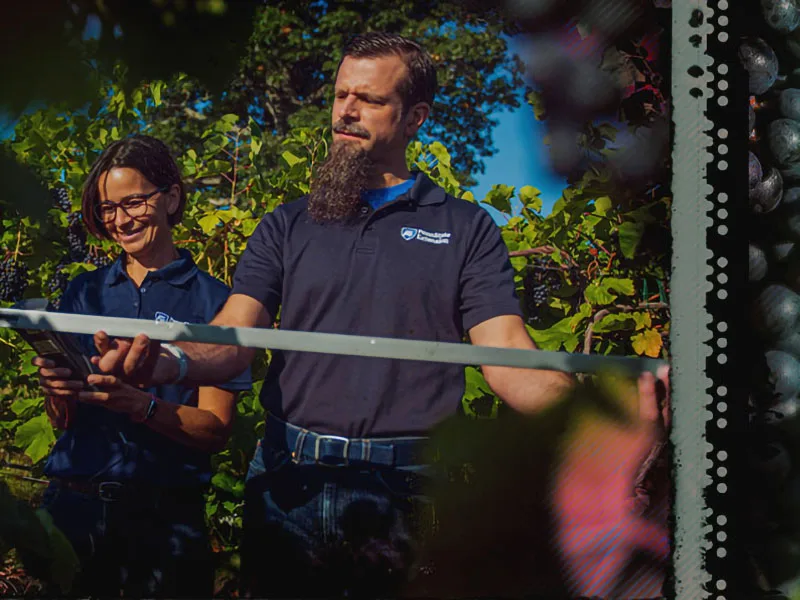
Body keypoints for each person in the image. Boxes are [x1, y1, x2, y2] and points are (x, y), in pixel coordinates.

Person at [88, 33, 670, 597]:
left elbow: (509, 359)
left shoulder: (465, 229)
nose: (346, 111)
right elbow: (234, 337)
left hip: (407, 496)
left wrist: (598, 424)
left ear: (415, 117)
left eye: (369, 99)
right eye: (341, 95)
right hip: (288, 483)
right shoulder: (287, 225)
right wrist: (167, 361)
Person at [32, 135, 252, 598]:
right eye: (107, 208)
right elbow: (64, 423)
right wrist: (56, 392)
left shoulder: (216, 302)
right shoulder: (83, 294)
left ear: (171, 197)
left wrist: (141, 405)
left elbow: (215, 430)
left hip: (163, 525)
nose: (119, 220)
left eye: (132, 202)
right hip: (74, 511)